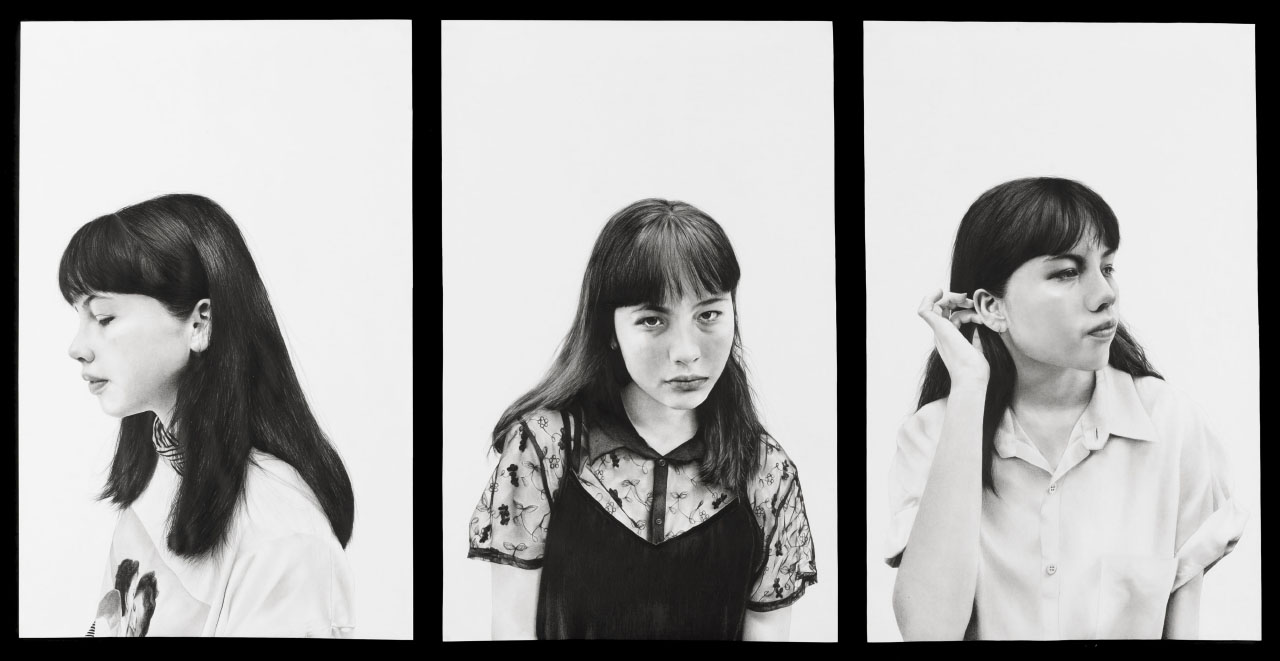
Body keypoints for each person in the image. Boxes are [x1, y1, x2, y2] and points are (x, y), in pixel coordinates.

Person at [885, 177, 1247, 640]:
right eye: (1066, 272)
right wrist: (970, 389)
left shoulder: (1171, 425)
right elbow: (928, 632)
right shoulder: (932, 435)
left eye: (1108, 267)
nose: (1104, 294)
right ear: (991, 306)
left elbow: (1182, 623)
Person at [467, 199, 817, 640]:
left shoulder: (765, 472)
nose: (686, 350)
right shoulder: (547, 445)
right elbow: (512, 627)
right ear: (609, 330)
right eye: (653, 320)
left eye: (708, 315)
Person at [63, 194, 356, 637]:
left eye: (103, 317)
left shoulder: (283, 536)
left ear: (199, 323)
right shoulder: (157, 472)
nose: (77, 347)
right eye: (80, 317)